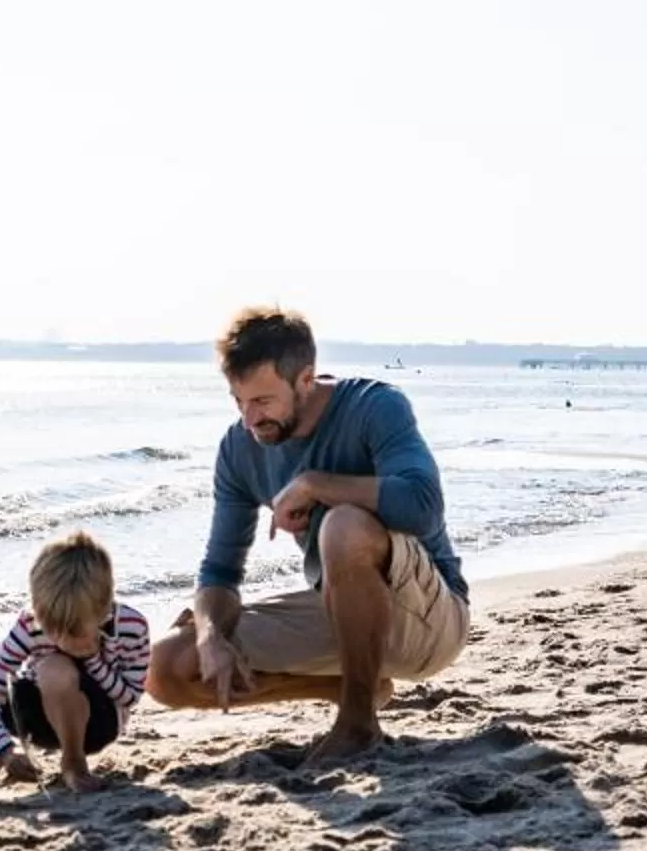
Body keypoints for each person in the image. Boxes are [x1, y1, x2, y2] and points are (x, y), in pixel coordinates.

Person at [147, 306, 469, 769]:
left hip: (430, 620)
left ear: (306, 379)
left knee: (343, 526)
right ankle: (349, 691)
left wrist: (316, 484)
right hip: (344, 615)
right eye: (239, 402)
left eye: (262, 401)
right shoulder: (240, 450)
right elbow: (220, 570)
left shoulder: (375, 407)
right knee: (170, 666)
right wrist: (212, 636)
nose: (249, 419)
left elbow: (423, 504)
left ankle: (357, 723)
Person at [0, 531, 151, 795]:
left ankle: (73, 762)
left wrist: (93, 660)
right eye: (52, 628)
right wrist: (3, 751)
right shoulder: (30, 624)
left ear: (104, 608)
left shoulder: (131, 626)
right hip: (36, 714)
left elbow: (130, 697)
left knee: (54, 666)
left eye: (73, 631)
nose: (60, 638)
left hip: (96, 721)